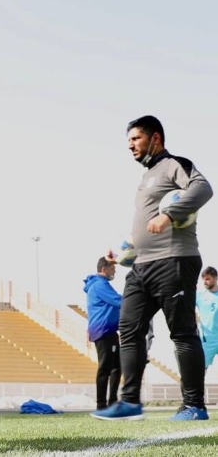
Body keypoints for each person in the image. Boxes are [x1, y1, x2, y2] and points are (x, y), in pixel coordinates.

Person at [91, 115, 213, 422]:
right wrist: (122, 254)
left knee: (182, 333)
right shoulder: (146, 177)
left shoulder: (175, 165)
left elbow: (203, 189)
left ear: (155, 138)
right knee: (129, 328)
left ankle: (194, 406)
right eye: (129, 140)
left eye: (136, 138)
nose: (130, 145)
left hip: (175, 259)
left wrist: (169, 215)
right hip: (141, 266)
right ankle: (130, 401)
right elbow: (145, 227)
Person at [83, 256, 122, 411]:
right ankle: (101, 404)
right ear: (104, 269)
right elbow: (118, 301)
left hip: (108, 330)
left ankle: (112, 402)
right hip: (104, 330)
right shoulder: (100, 284)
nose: (114, 272)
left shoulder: (98, 284)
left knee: (116, 367)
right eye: (113, 269)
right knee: (106, 367)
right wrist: (136, 301)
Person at [196, 266, 218, 370]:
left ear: (215, 278)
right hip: (207, 340)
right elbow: (186, 308)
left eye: (208, 279)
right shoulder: (199, 295)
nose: (205, 282)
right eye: (203, 279)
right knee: (200, 370)